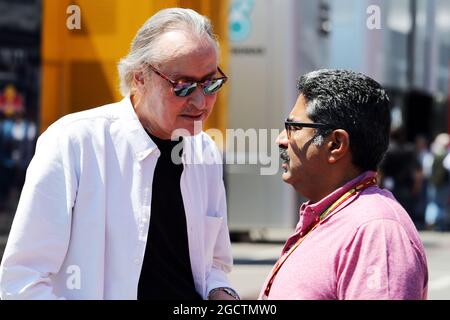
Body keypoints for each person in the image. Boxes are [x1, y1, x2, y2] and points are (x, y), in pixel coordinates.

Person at [0, 8, 239, 300]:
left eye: (211, 83)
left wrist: (222, 294)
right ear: (140, 78)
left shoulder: (205, 152)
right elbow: (22, 281)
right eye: (183, 86)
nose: (201, 101)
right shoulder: (74, 143)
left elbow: (214, 265)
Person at [260, 69, 428, 300]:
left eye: (294, 127)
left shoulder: (377, 231)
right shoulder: (337, 215)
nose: (281, 140)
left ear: (336, 144)